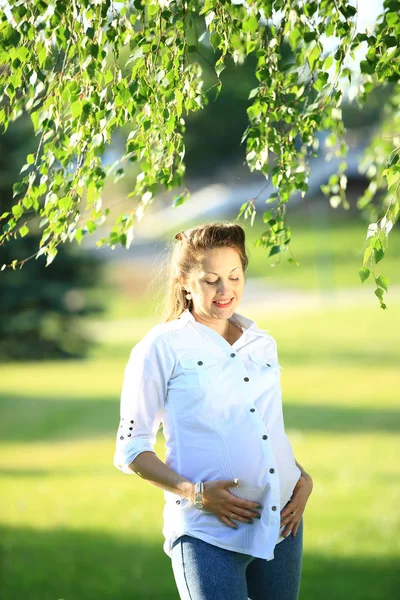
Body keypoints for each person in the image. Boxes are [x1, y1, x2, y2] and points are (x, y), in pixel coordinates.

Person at [113, 222, 313, 600]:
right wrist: (196, 493)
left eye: (234, 276)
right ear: (185, 283)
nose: (226, 290)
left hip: (283, 523)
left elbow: (262, 428)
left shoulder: (262, 343)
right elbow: (131, 449)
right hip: (207, 534)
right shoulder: (161, 347)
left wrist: (301, 479)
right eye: (211, 280)